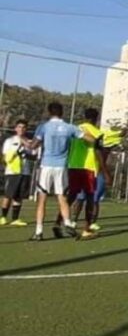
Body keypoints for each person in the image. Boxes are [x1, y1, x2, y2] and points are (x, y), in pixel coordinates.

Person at [31, 102, 96, 241]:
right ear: (62, 113)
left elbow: (33, 145)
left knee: (42, 199)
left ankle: (38, 232)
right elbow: (91, 139)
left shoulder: (44, 127)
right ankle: (67, 222)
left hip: (46, 165)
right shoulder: (69, 127)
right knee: (62, 197)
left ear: (49, 112)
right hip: (61, 166)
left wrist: (27, 144)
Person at [66, 108, 109, 240]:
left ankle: (69, 222)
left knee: (76, 197)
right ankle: (86, 229)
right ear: (96, 119)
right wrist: (106, 172)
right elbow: (98, 152)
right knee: (90, 199)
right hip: (88, 168)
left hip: (73, 165)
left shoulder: (74, 129)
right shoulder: (96, 132)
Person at [1, 120, 32, 227]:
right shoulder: (10, 141)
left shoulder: (29, 142)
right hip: (12, 171)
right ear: (15, 128)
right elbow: (5, 156)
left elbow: (33, 155)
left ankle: (15, 218)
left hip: (25, 172)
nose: (21, 129)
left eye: (24, 127)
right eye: (19, 127)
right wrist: (16, 152)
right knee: (8, 195)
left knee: (19, 196)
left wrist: (27, 149)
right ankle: (3, 217)